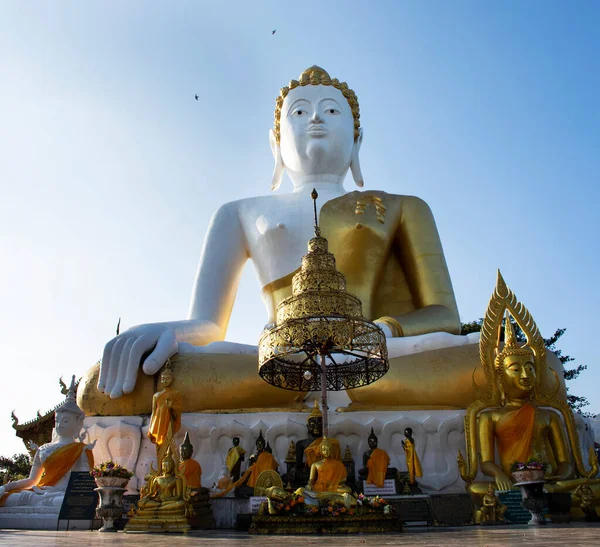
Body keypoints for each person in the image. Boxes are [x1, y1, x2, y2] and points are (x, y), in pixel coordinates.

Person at [88, 66, 491, 414]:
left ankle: (347, 379)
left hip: (375, 355)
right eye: (299, 112)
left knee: (508, 365)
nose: (316, 119)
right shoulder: (238, 211)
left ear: (357, 138)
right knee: (112, 385)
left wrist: (374, 335)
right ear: (275, 141)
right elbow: (210, 324)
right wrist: (172, 334)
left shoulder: (402, 206)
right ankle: (334, 385)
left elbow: (444, 316)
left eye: (332, 111)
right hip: (278, 361)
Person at [0, 377, 94, 508]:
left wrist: (66, 492)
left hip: (61, 494)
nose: (60, 425)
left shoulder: (81, 450)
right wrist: (5, 487)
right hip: (41, 491)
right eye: (57, 421)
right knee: (12, 498)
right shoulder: (44, 449)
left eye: (66, 421)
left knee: (63, 502)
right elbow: (32, 480)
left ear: (79, 424)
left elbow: (83, 484)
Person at [147, 364, 182, 448]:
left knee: (167, 445)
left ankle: (167, 459)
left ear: (173, 380)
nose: (165, 381)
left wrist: (170, 408)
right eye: (163, 379)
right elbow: (154, 412)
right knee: (158, 446)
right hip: (157, 423)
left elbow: (177, 412)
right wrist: (150, 426)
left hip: (169, 422)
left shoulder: (176, 394)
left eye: (167, 378)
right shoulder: (156, 395)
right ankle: (160, 460)